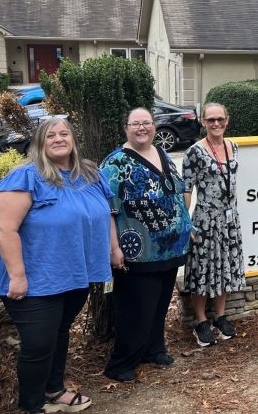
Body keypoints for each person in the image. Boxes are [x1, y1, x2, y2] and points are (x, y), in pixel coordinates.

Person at [0, 116, 113, 414]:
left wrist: (112, 249)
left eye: (64, 133)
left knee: (59, 331)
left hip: (72, 273)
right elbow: (5, 228)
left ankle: (54, 391)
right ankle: (32, 406)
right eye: (50, 135)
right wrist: (17, 276)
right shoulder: (25, 177)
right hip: (32, 277)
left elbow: (106, 214)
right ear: (40, 143)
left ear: (73, 140)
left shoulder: (88, 174)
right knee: (39, 343)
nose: (58, 139)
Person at [100, 107, 193, 382]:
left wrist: (186, 225)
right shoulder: (115, 163)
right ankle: (122, 363)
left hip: (170, 248)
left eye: (147, 123)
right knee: (135, 309)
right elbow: (107, 210)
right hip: (138, 253)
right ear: (126, 128)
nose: (142, 128)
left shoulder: (161, 153)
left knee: (159, 305)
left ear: (154, 126)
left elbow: (177, 191)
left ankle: (154, 349)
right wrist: (113, 248)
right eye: (136, 124)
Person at [183, 103, 245, 347]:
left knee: (225, 266)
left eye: (220, 119)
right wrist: (186, 222)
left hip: (229, 220)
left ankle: (220, 316)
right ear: (203, 122)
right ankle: (200, 321)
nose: (216, 123)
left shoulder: (233, 147)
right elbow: (186, 189)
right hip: (205, 221)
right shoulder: (194, 152)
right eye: (211, 120)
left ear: (227, 120)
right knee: (202, 269)